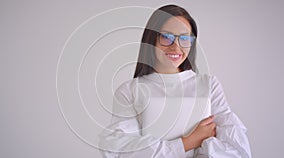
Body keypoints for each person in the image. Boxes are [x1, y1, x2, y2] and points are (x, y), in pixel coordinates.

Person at [99, 4, 252, 158]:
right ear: (152, 39)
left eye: (184, 38)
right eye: (167, 37)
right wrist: (188, 142)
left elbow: (236, 149)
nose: (176, 46)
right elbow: (120, 151)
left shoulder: (209, 85)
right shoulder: (130, 90)